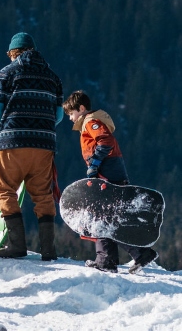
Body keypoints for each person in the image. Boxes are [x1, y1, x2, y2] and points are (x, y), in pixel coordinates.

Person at [63, 90, 159, 274]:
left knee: (101, 217)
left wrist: (95, 163)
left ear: (81, 109)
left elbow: (106, 141)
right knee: (106, 217)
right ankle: (118, 257)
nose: (70, 118)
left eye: (71, 113)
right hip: (111, 173)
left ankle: (114, 258)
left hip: (108, 175)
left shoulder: (91, 122)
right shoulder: (90, 122)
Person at [0, 32, 63, 260]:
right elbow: (58, 115)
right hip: (44, 144)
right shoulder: (53, 77)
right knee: (42, 194)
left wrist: (2, 126)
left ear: (13, 53)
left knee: (4, 189)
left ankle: (17, 245)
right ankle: (48, 249)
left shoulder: (7, 73)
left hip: (13, 142)